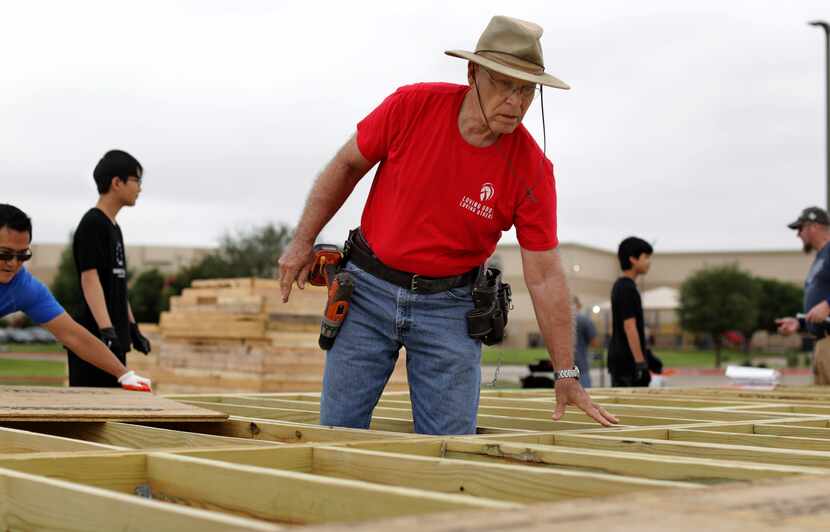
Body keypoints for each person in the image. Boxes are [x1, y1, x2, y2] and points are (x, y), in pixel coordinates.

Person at [278, 15, 618, 434]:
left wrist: (566, 373)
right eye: (504, 84)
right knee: (336, 435)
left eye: (527, 90)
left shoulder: (531, 170)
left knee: (451, 449)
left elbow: (545, 276)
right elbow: (347, 165)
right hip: (367, 292)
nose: (516, 102)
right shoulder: (413, 107)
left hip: (450, 307)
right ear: (472, 72)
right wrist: (301, 242)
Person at [0, 204, 151, 391]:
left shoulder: (25, 288)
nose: (13, 263)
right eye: (4, 254)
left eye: (23, 255)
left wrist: (124, 374)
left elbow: (73, 336)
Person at [67, 150, 153, 388]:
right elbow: (90, 279)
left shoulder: (114, 227)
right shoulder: (92, 224)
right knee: (91, 415)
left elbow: (118, 285)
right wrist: (106, 330)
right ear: (116, 182)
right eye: (136, 180)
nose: (140, 188)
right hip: (93, 342)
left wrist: (132, 328)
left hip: (113, 340)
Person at [777, 206, 830, 385]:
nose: (798, 234)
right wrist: (799, 322)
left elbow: (824, 306)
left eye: (800, 228)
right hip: (822, 343)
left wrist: (828, 305)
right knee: (822, 410)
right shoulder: (821, 257)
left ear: (813, 227)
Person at [608, 236, 653, 387]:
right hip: (627, 365)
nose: (649, 261)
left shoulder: (621, 286)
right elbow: (629, 326)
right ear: (633, 259)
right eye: (646, 257)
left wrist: (648, 356)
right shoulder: (627, 288)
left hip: (622, 362)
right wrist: (640, 363)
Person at [573, 296, 596, 388]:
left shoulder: (560, 321)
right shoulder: (585, 320)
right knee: (585, 395)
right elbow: (594, 342)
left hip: (563, 370)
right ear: (579, 305)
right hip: (581, 367)